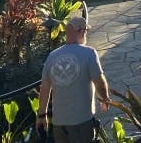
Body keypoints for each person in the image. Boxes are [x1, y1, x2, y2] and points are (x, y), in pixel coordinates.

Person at [36, 15, 109, 143]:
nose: (86, 34)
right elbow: (99, 81)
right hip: (82, 120)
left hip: (59, 123)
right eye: (86, 31)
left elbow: (45, 89)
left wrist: (42, 115)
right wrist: (104, 98)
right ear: (81, 31)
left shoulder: (52, 56)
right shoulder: (89, 53)